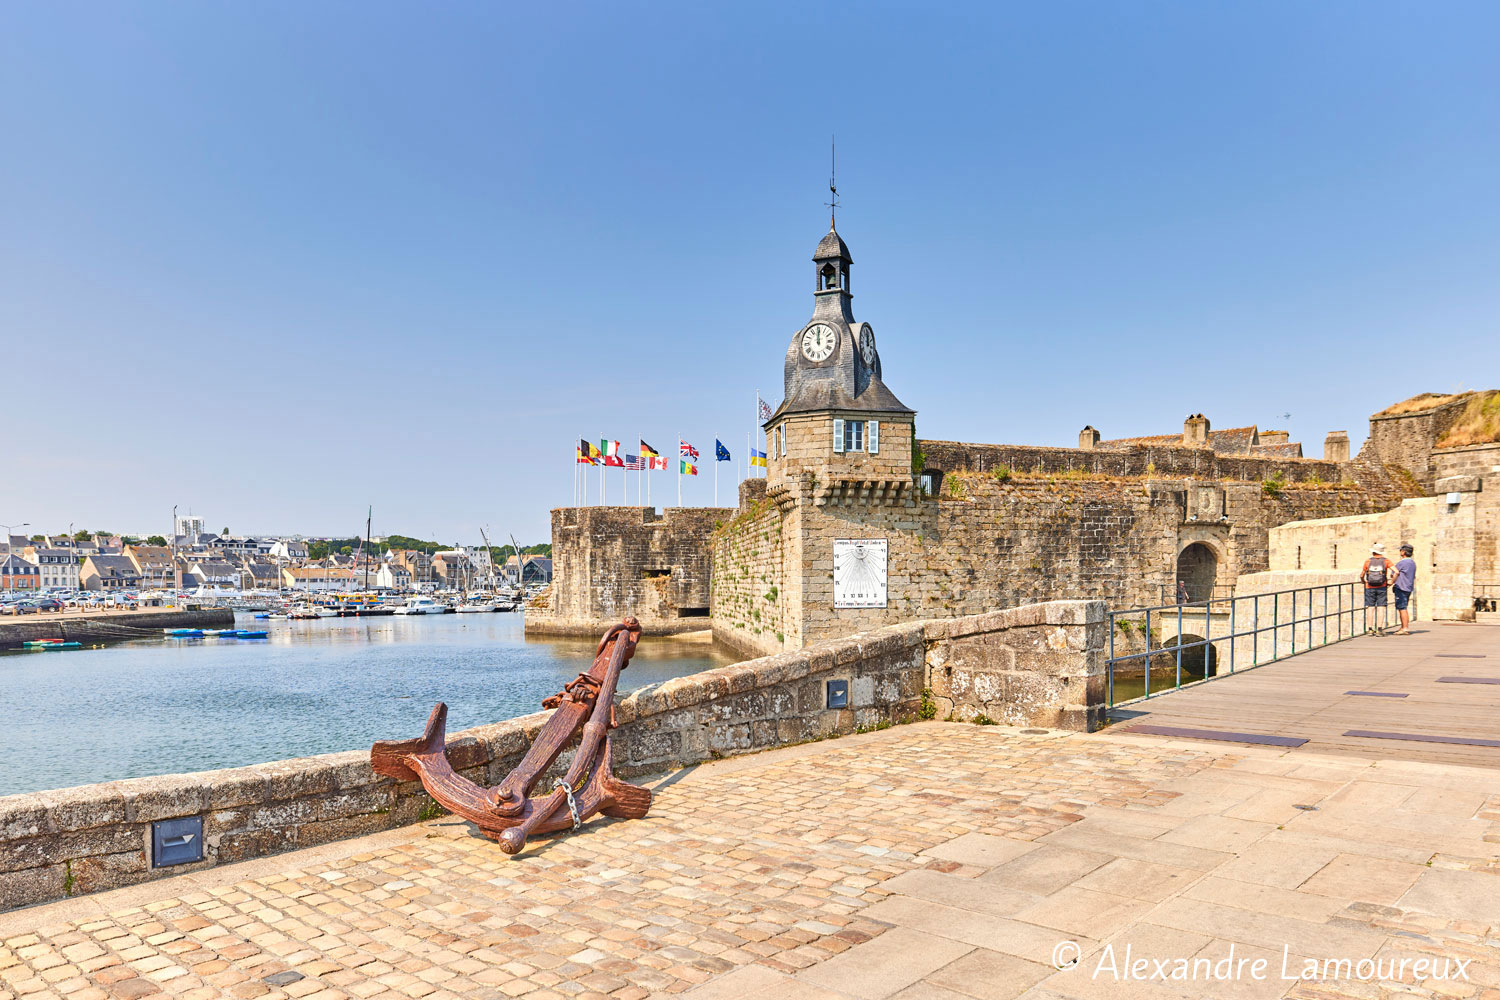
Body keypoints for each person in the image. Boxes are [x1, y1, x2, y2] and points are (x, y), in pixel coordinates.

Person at [1361, 543, 1392, 633]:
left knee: (1370, 607)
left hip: (1369, 586)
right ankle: (1379, 629)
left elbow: (1362, 574)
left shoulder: (1368, 561)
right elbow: (1396, 572)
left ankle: (1370, 629)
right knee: (1381, 607)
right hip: (1382, 586)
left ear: (1373, 552)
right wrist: (1391, 582)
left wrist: (1363, 581)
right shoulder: (1386, 561)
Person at [1392, 543, 1417, 635]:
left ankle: (1405, 628)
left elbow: (1394, 572)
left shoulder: (1402, 563)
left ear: (1404, 552)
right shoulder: (1412, 563)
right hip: (1408, 587)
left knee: (1402, 608)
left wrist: (1391, 581)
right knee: (1404, 606)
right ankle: (1403, 626)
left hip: (1401, 587)